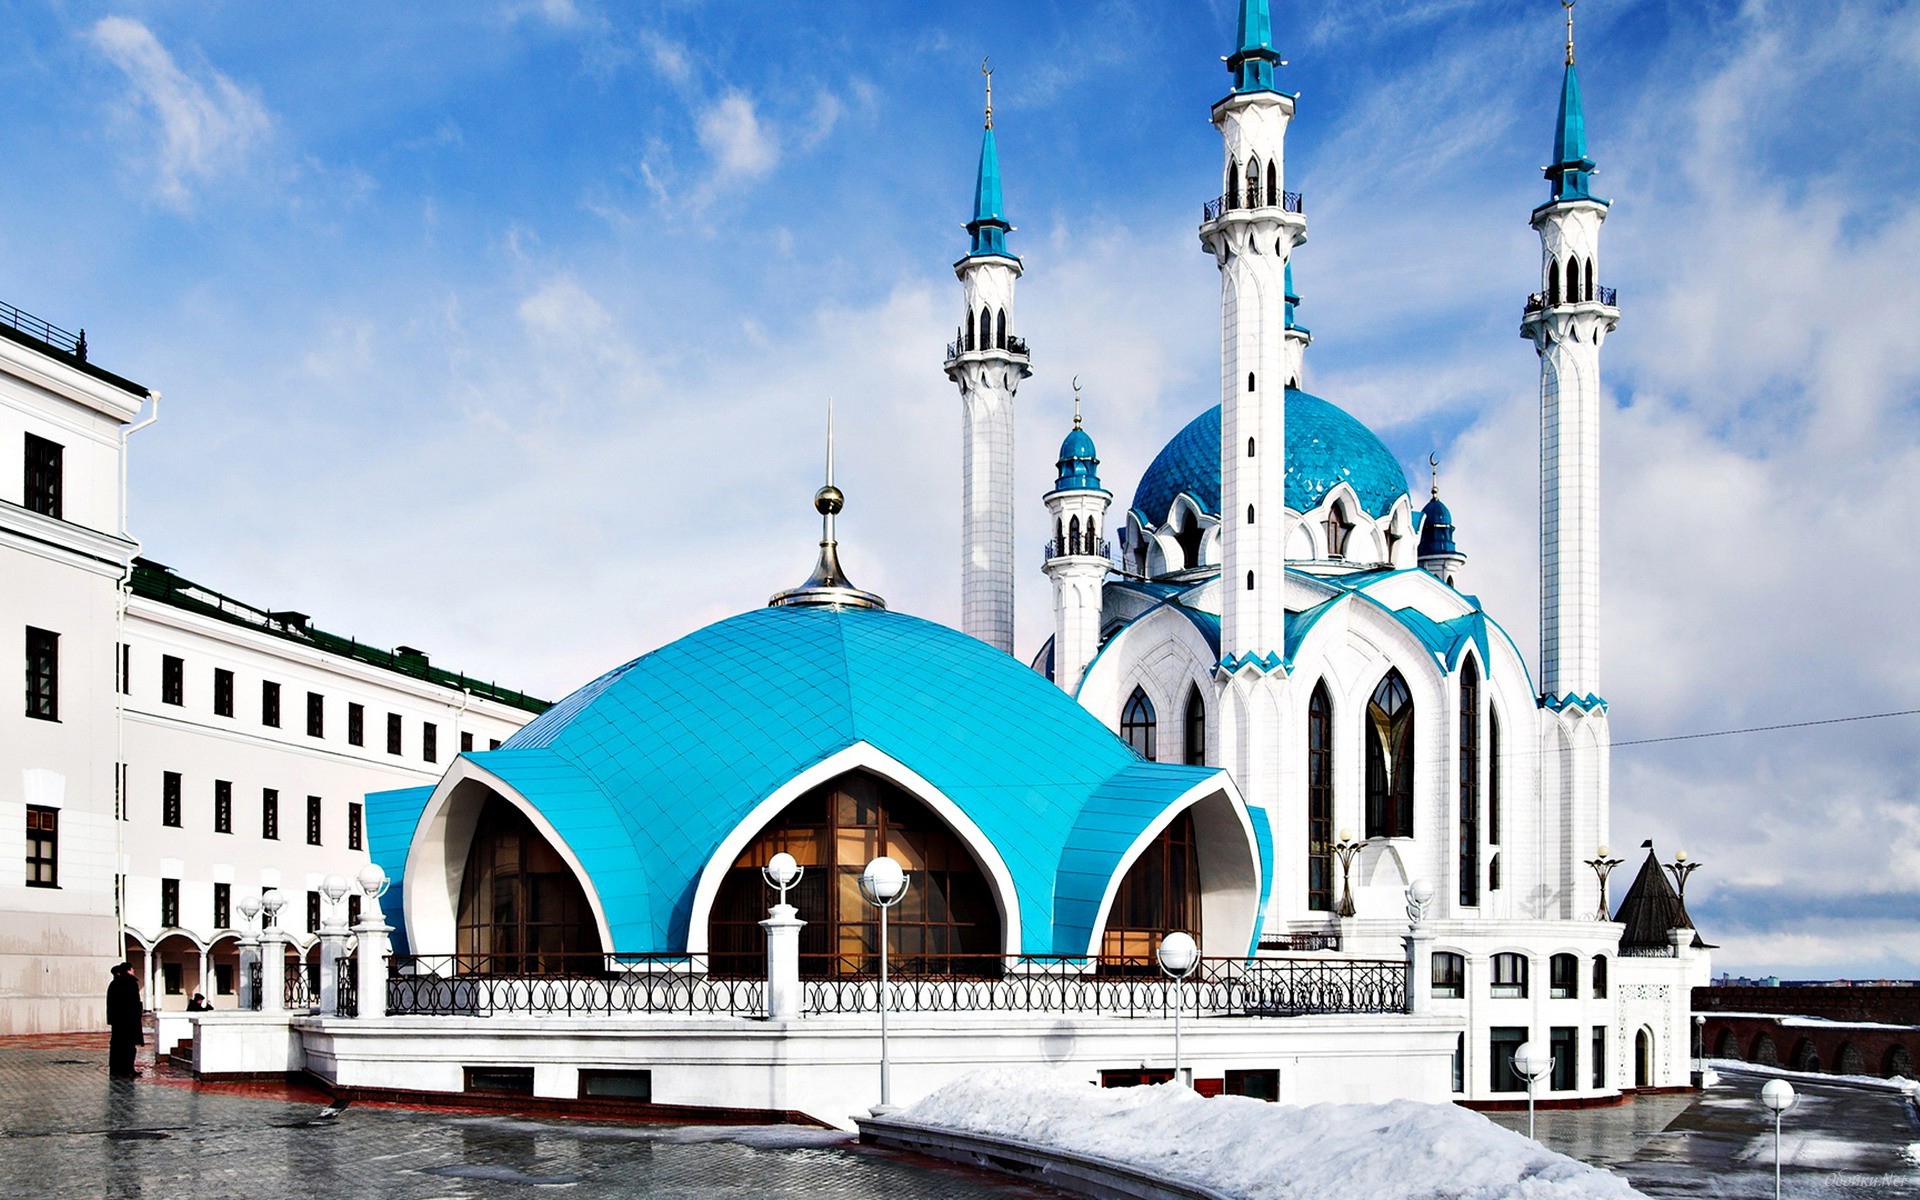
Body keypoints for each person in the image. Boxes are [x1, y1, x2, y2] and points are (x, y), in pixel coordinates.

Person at [106, 962, 144, 1077]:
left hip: (118, 1022)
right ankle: (128, 1069)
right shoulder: (131, 982)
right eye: (132, 969)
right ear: (128, 970)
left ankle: (116, 1069)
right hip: (130, 1021)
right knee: (129, 1047)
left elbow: (110, 1004)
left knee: (117, 1047)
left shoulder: (114, 983)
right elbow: (134, 1003)